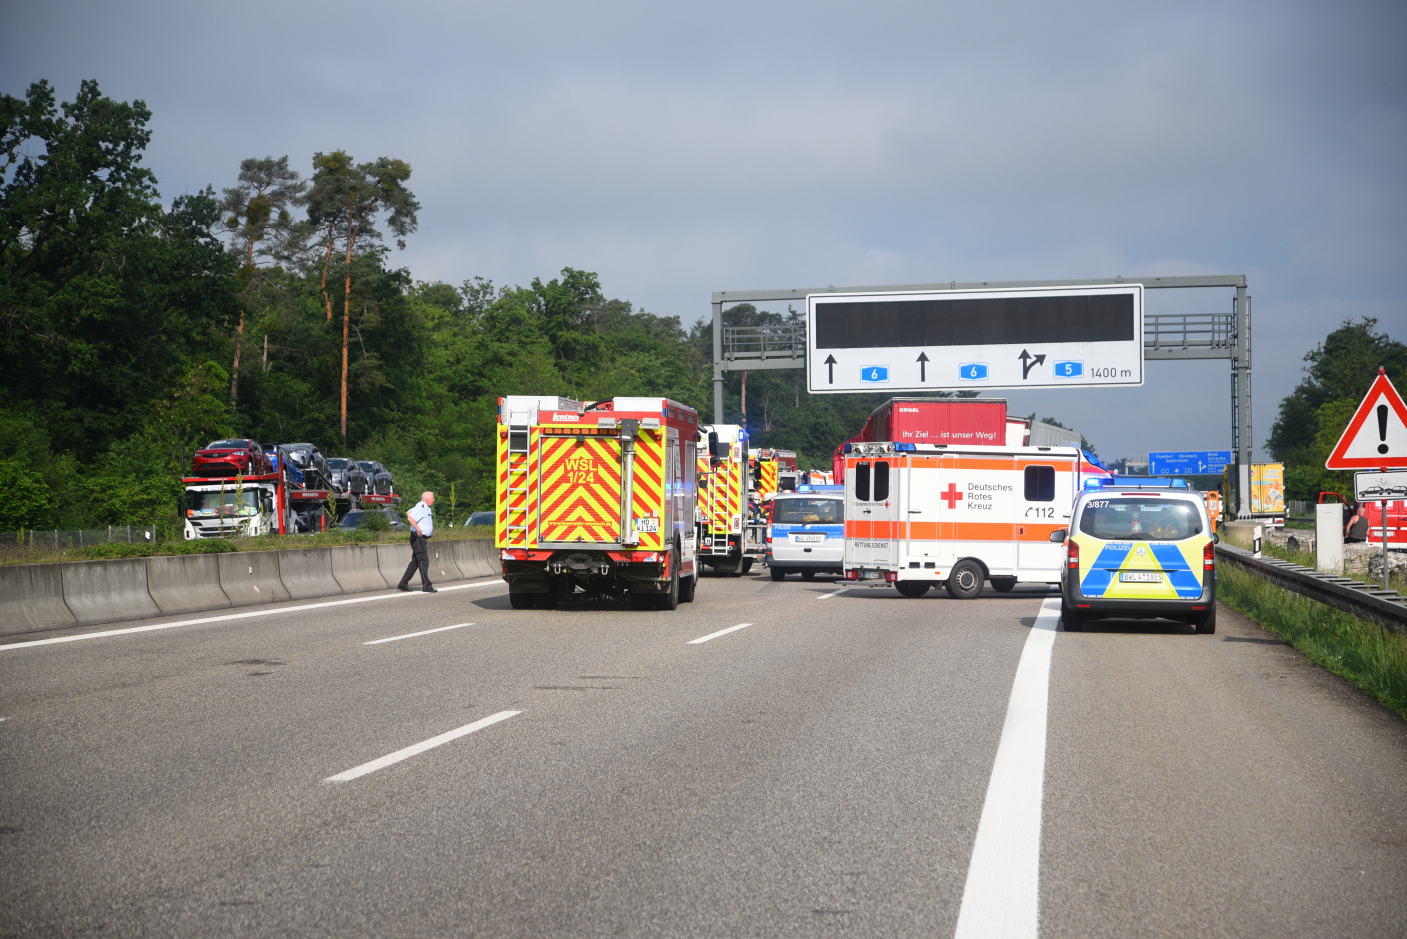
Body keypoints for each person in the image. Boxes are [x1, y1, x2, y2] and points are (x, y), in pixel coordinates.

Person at [398, 491, 437, 592]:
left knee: (415, 562)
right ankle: (426, 586)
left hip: (420, 538)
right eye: (432, 498)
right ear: (427, 499)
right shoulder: (422, 507)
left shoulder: (422, 506)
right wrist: (418, 529)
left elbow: (408, 512)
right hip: (418, 538)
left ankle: (403, 584)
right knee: (423, 561)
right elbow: (410, 518)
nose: (434, 499)